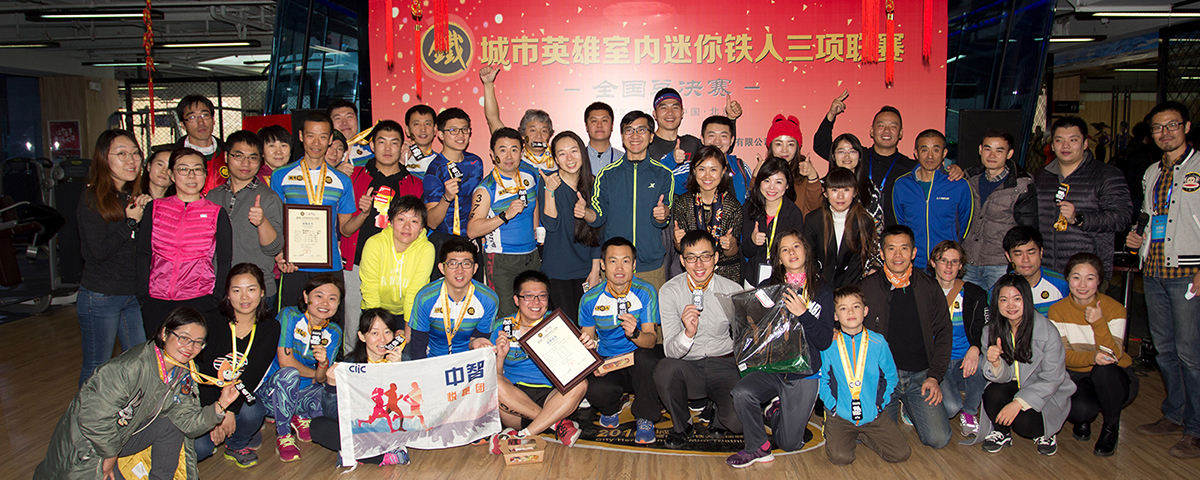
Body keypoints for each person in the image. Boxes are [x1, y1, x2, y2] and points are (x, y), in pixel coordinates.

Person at [35, 308, 236, 480]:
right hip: (89, 444)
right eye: (184, 338)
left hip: (124, 436)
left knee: (171, 424)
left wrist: (221, 405)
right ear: (165, 333)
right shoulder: (128, 368)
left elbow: (187, 424)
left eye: (198, 342)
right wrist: (110, 454)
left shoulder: (183, 372)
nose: (190, 347)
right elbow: (92, 417)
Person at [1126, 101, 1200, 458]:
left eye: (1172, 125)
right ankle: (1175, 414)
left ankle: (1196, 429)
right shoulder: (1153, 171)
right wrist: (1137, 237)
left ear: (1186, 127)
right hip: (1154, 270)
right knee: (1165, 350)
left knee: (1190, 353)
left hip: (1188, 273)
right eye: (1158, 127)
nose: (1165, 133)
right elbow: (1150, 214)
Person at [726, 230, 834, 467]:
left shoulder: (822, 291)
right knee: (742, 393)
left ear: (806, 251)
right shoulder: (768, 287)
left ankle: (775, 411)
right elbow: (752, 329)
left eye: (796, 246)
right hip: (772, 368)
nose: (791, 252)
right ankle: (758, 447)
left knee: (790, 443)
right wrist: (738, 323)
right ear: (779, 258)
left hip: (803, 373)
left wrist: (804, 314)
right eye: (784, 249)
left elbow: (825, 340)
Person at [858, 224, 953, 449]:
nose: (898, 255)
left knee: (939, 439)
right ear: (882, 254)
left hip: (920, 376)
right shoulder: (867, 288)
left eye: (904, 248)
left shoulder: (929, 287)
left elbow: (943, 332)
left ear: (914, 252)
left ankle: (911, 407)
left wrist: (934, 376)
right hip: (883, 378)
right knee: (880, 440)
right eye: (891, 249)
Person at [812, 93, 964, 226]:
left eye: (893, 126)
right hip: (856, 233)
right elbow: (821, 146)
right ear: (872, 131)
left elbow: (933, 169)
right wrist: (831, 115)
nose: (886, 131)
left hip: (893, 238)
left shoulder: (911, 167)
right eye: (881, 125)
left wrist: (954, 170)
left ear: (901, 133)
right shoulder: (857, 157)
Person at [340, 120, 424, 351]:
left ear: (402, 146)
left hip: (399, 268)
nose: (388, 148)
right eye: (381, 142)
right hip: (357, 264)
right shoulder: (353, 178)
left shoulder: (415, 185)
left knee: (392, 332)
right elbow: (345, 230)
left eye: (394, 143)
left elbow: (418, 231)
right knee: (355, 330)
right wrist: (363, 213)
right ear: (371, 146)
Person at [656, 230, 745, 448]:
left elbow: (744, 339)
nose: (699, 264)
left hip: (723, 363)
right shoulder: (669, 291)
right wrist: (687, 334)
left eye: (705, 256)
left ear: (716, 258)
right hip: (689, 366)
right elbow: (670, 351)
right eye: (691, 257)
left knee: (737, 423)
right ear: (682, 261)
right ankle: (682, 425)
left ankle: (718, 410)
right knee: (665, 370)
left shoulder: (733, 290)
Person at [77, 129, 152, 386]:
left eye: (135, 153)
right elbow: (97, 252)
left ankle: (130, 411)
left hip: (131, 293)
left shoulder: (131, 196)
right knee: (97, 367)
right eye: (122, 154)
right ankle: (86, 413)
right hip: (101, 294)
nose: (131, 160)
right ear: (103, 159)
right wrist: (130, 222)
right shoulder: (92, 198)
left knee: (139, 362)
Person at [481, 271, 588, 449]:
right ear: (517, 300)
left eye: (542, 296)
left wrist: (585, 348)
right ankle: (555, 424)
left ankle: (522, 435)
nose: (536, 302)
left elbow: (576, 366)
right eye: (528, 296)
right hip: (514, 402)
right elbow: (496, 376)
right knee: (493, 382)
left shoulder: (558, 322)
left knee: (580, 384)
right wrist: (501, 356)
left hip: (551, 397)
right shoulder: (502, 327)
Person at [975, 274, 1076, 456]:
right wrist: (995, 363)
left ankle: (1046, 434)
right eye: (1004, 300)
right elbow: (1002, 377)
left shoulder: (1047, 331)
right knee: (992, 393)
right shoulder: (990, 331)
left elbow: (1053, 378)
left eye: (1017, 299)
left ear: (1027, 300)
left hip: (1045, 391)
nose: (1010, 305)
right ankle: (1002, 433)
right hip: (1013, 384)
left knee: (1025, 424)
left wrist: (1018, 403)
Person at [137, 148, 232, 338]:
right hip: (156, 301)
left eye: (197, 169)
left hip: (200, 300)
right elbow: (142, 254)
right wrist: (143, 295)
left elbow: (224, 260)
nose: (191, 176)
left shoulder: (216, 213)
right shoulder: (154, 208)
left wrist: (215, 299)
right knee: (158, 353)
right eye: (183, 169)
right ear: (172, 175)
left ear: (205, 174)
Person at [193, 264, 281, 467]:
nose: (244, 297)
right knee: (200, 449)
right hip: (207, 396)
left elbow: (252, 375)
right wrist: (217, 413)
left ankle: (236, 444)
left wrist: (230, 410)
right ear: (228, 294)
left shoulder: (270, 327)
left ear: (262, 292)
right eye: (236, 290)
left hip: (238, 394)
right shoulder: (211, 321)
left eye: (251, 289)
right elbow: (204, 373)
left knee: (254, 411)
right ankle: (230, 432)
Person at [270, 112, 360, 310]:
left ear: (330, 139)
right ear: (301, 136)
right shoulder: (280, 176)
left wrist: (364, 213)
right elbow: (274, 221)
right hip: (293, 264)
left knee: (330, 324)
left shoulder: (342, 181)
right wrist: (279, 252)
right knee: (290, 322)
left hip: (330, 265)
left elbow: (345, 228)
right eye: (310, 135)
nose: (316, 143)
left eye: (323, 137)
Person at [579, 237, 663, 444]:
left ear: (634, 265)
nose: (619, 268)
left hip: (638, 359)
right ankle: (612, 407)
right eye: (613, 261)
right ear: (602, 265)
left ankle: (645, 416)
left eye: (625, 261)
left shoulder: (646, 291)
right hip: (609, 361)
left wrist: (634, 334)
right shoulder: (589, 299)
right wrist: (591, 356)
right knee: (593, 386)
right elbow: (587, 340)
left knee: (648, 359)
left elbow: (651, 341)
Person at [1049, 252, 1134, 457]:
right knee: (1080, 411)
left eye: (1090, 278)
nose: (1082, 284)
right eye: (1076, 277)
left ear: (1099, 281)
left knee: (1103, 370)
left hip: (1114, 376)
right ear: (1067, 278)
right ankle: (1084, 418)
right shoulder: (1057, 310)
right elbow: (1063, 356)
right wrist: (1092, 358)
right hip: (1078, 374)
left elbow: (1113, 354)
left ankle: (1110, 427)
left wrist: (1099, 322)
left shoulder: (1114, 309)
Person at [819, 286, 909, 466]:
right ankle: (834, 428)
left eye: (856, 306)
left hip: (872, 414)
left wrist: (879, 405)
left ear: (865, 311)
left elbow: (891, 376)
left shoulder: (878, 342)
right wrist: (833, 407)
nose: (850, 312)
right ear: (835, 316)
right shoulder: (830, 345)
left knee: (901, 453)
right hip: (841, 415)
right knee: (841, 458)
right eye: (843, 308)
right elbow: (822, 380)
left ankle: (862, 434)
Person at [259, 273, 344, 462]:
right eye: (319, 296)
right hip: (272, 395)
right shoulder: (290, 315)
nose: (325, 303)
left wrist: (323, 364)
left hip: (303, 395)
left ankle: (299, 415)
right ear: (306, 297)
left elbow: (322, 378)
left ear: (338, 304)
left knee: (333, 395)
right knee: (289, 374)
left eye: (332, 298)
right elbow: (285, 362)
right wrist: (315, 373)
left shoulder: (334, 332)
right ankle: (283, 435)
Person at [586, 110, 675, 290]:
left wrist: (663, 215)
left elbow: (661, 220)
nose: (635, 135)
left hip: (650, 266)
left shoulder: (664, 174)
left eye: (641, 130)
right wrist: (585, 212)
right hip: (614, 265)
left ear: (651, 137)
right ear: (622, 136)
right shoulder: (607, 174)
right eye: (629, 130)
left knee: (651, 310)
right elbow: (598, 218)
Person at [309, 309, 410, 466]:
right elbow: (332, 415)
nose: (382, 339)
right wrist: (331, 386)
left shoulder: (404, 360)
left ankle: (351, 453)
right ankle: (382, 457)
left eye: (387, 332)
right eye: (374, 333)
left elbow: (412, 408)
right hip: (361, 427)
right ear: (362, 336)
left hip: (389, 427)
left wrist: (398, 371)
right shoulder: (350, 364)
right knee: (318, 426)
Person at [1035, 116, 1132, 278]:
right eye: (1059, 140)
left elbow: (1122, 218)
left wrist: (1079, 218)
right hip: (1046, 271)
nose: (1065, 146)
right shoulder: (1040, 177)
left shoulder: (1106, 175)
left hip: (1087, 274)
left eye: (1073, 140)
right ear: (1052, 145)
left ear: (1085, 143)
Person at [206, 130, 285, 307]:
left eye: (252, 158)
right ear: (226, 156)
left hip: (257, 289)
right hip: (217, 286)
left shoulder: (269, 198)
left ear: (260, 160)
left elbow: (274, 248)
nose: (245, 163)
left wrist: (262, 222)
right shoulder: (212, 197)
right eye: (238, 156)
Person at [470, 128, 542, 318]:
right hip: (502, 260)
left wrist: (536, 231)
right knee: (507, 317)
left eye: (514, 150)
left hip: (531, 256)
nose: (509, 156)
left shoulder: (529, 176)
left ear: (522, 152)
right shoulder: (486, 188)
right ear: (492, 154)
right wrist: (504, 216)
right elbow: (472, 230)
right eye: (502, 150)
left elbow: (534, 204)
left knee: (534, 313)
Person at [963, 130, 1038, 290]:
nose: (992, 155)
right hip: (968, 261)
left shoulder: (1021, 186)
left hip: (999, 264)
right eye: (988, 149)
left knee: (999, 304)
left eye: (999, 150)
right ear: (980, 150)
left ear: (1009, 154)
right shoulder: (968, 180)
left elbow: (1028, 229)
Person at [359, 195, 435, 351]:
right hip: (375, 309)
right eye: (401, 219)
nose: (407, 227)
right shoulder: (374, 244)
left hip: (407, 312)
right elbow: (370, 289)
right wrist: (381, 329)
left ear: (422, 227)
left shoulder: (426, 249)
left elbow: (415, 292)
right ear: (391, 221)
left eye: (414, 221)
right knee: (375, 352)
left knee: (406, 353)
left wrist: (407, 331)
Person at [928, 241, 988, 438]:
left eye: (954, 262)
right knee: (951, 407)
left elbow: (984, 327)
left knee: (984, 362)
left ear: (961, 265)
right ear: (933, 263)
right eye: (943, 260)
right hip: (937, 362)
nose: (949, 266)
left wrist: (975, 347)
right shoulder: (922, 291)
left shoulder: (974, 293)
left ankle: (969, 412)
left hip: (965, 360)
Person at [541, 131, 603, 319]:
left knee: (588, 324)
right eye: (562, 153)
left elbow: (599, 230)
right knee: (566, 326)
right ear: (556, 160)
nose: (569, 158)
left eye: (574, 151)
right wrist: (549, 191)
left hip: (586, 269)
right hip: (558, 270)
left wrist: (595, 270)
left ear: (582, 153)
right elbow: (550, 225)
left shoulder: (594, 183)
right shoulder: (548, 182)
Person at [892, 129, 974, 270]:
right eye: (924, 150)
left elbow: (965, 225)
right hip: (914, 263)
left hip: (946, 264)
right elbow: (901, 223)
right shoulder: (902, 185)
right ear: (916, 153)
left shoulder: (959, 185)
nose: (930, 155)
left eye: (936, 150)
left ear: (944, 153)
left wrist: (952, 250)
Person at [408, 237, 500, 359]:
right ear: (442, 268)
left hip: (468, 361)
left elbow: (479, 339)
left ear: (475, 268)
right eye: (452, 264)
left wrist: (477, 342)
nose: (460, 271)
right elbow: (418, 344)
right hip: (433, 358)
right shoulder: (425, 297)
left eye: (466, 264)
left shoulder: (488, 300)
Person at [422, 107, 485, 273]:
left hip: (472, 239)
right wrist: (447, 197)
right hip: (445, 241)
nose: (461, 135)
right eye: (453, 130)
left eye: (465, 129)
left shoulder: (476, 162)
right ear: (441, 135)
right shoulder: (435, 170)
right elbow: (431, 222)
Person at [670, 145, 744, 284]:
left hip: (725, 274)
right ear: (694, 171)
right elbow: (681, 249)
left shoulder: (733, 206)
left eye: (713, 169)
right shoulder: (683, 203)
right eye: (702, 169)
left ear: (723, 171)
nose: (707, 175)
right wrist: (677, 242)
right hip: (694, 271)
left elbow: (731, 253)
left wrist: (730, 245)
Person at [803, 167, 879, 289]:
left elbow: (857, 263)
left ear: (855, 192)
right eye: (834, 190)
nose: (840, 196)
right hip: (819, 287)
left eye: (846, 190)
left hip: (850, 287)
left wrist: (843, 292)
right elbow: (810, 257)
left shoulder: (864, 221)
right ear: (825, 193)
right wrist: (823, 290)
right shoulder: (813, 220)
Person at [480, 66, 557, 173]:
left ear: (550, 135)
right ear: (523, 134)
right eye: (533, 130)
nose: (538, 136)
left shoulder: (559, 158)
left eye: (544, 131)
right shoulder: (514, 157)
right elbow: (493, 119)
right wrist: (488, 84)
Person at [741, 156, 804, 287]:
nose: (771, 187)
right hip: (753, 279)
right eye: (767, 180)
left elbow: (798, 253)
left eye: (778, 182)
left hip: (783, 280)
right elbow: (746, 251)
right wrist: (752, 241)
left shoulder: (793, 213)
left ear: (787, 185)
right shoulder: (749, 208)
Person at [1003, 226, 1068, 315]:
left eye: (1031, 253)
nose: (1026, 259)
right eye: (1018, 254)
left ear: (1041, 252)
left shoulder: (1062, 284)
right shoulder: (1000, 290)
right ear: (1008, 256)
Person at [766, 114, 823, 216]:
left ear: (798, 147)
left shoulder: (805, 172)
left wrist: (812, 177)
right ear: (770, 146)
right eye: (779, 144)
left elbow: (815, 207)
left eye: (790, 144)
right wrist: (756, 178)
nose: (784, 150)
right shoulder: (765, 170)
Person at [173, 95, 227, 194]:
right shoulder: (173, 156)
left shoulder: (229, 153)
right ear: (182, 124)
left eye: (205, 115)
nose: (201, 122)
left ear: (213, 119)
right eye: (192, 117)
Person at [700, 115, 754, 203]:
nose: (717, 141)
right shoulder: (691, 168)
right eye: (711, 135)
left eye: (723, 136)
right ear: (702, 139)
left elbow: (754, 198)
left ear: (732, 140)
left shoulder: (740, 167)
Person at [584, 102, 624, 174]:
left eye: (604, 120)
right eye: (594, 121)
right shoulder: (576, 159)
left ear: (612, 125)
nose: (599, 125)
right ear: (586, 126)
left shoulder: (623, 159)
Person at [403, 104, 439, 179]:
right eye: (416, 124)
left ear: (435, 129)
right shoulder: (398, 161)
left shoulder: (442, 163)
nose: (423, 129)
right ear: (407, 130)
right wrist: (400, 163)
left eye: (427, 124)